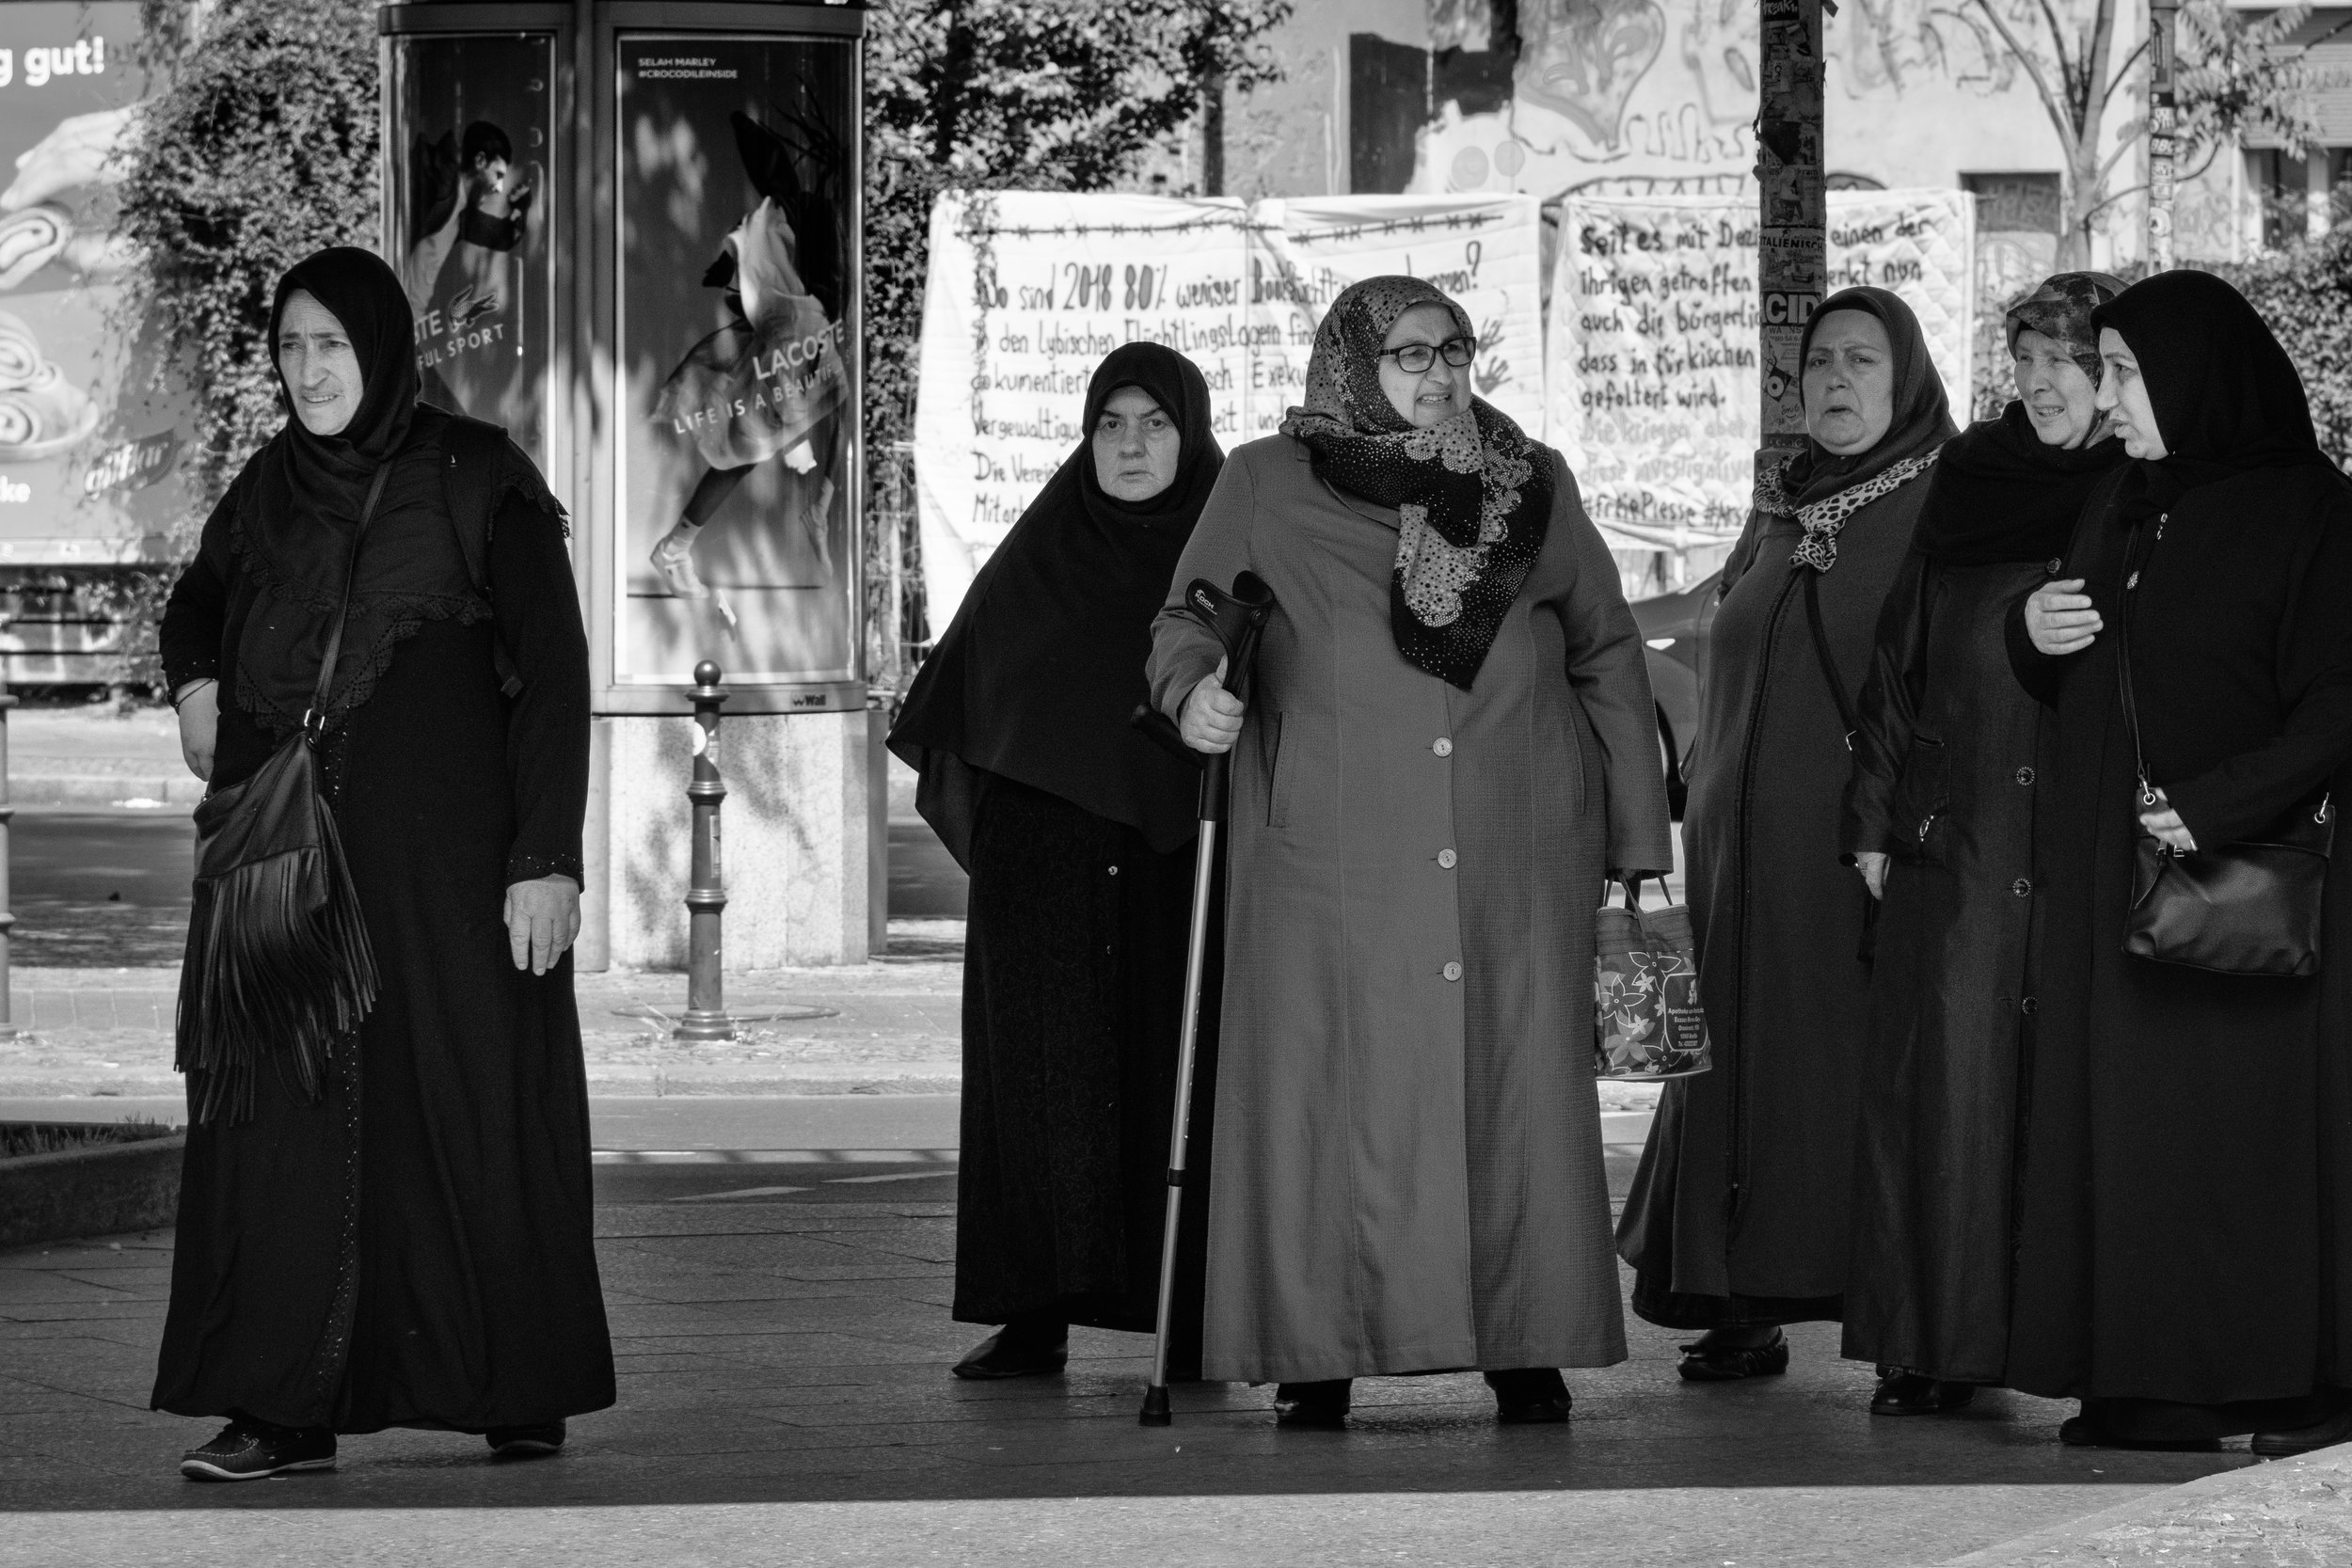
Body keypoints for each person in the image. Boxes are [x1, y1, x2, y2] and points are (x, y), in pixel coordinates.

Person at [1146, 276, 1673, 1428]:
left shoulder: (1527, 480)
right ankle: (1317, 1349)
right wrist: (1191, 694)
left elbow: (1604, 650)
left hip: (1511, 845)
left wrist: (1637, 833)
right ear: (1350, 362)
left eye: (1452, 348)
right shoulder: (1267, 481)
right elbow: (1185, 615)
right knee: (1328, 1099)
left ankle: (1523, 1339)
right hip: (1328, 858)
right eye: (1406, 352)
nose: (1436, 373)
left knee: (1511, 1086)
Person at [151, 247, 612, 1479]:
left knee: (471, 1111)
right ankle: (278, 1407)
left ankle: (520, 1379)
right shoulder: (264, 490)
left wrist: (546, 853)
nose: (309, 371)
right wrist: (196, 683)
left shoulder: (474, 475)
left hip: (447, 881)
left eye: (332, 347)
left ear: (383, 348)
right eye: (291, 348)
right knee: (279, 1130)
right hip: (280, 863)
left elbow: (554, 675)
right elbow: (194, 603)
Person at [2010, 269, 2352, 1453]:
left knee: (2242, 1145)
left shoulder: (2314, 512)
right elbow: (2079, 659)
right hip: (2117, 884)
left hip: (2242, 884)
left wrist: (2213, 807)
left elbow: (2336, 700)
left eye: (2122, 372)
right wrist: (2029, 636)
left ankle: (2274, 1379)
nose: (2105, 401)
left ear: (2197, 377)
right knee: (2130, 1136)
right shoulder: (2121, 501)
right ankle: (2147, 1376)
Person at [1618, 287, 1956, 1379]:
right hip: (1732, 853)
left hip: (1853, 852)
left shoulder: (1948, 499)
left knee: (1856, 1070)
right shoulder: (1784, 498)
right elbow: (1720, 606)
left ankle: (1915, 1323)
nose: (1835, 381)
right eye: (1818, 364)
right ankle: (1736, 1292)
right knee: (1735, 1063)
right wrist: (1589, 622)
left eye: (1862, 361)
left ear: (1904, 379)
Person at [890, 343, 1226, 1380]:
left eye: (1154, 424)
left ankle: (1196, 1318)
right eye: (1110, 424)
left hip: (1182, 865)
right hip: (1046, 872)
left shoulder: (1223, 554)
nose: (1130, 445)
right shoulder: (1040, 551)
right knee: (1039, 1086)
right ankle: (1031, 1312)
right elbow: (962, 702)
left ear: (1192, 431)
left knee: (1180, 1082)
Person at [1838, 273, 2127, 1416]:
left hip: (2075, 841)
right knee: (1940, 1097)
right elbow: (1896, 659)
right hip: (1952, 840)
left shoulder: (2138, 490)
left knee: (2054, 1100)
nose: (2041, 382)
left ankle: (2061, 1346)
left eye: (2066, 359)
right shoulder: (1970, 478)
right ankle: (1929, 1342)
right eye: (2025, 359)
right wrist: (1868, 821)